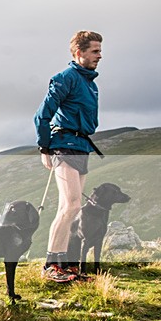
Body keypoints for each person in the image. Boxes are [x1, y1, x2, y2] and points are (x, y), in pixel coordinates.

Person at [34, 31, 104, 282]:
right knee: (71, 205)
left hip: (81, 146)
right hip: (64, 145)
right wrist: (45, 148)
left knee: (71, 208)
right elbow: (42, 115)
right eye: (95, 51)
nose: (100, 55)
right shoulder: (65, 78)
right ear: (79, 53)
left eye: (100, 50)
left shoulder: (90, 83)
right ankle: (50, 266)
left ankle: (65, 265)